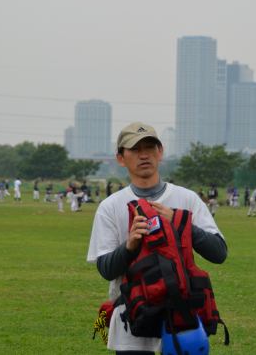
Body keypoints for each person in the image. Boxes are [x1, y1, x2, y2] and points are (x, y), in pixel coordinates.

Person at [86, 122, 227, 354]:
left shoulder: (187, 199)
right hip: (132, 319)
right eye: (134, 149)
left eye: (150, 147)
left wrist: (180, 222)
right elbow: (106, 270)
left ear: (160, 153)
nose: (144, 154)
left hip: (183, 318)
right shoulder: (109, 207)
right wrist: (130, 244)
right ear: (121, 158)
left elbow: (219, 253)